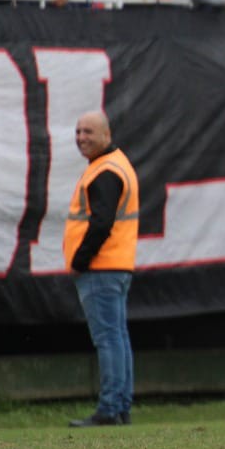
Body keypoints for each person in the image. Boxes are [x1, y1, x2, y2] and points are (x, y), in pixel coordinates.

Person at [63, 111, 139, 427]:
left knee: (108, 338)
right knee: (117, 337)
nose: (81, 137)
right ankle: (120, 406)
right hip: (117, 264)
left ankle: (109, 408)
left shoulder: (105, 171)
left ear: (106, 135)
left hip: (101, 267)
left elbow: (101, 222)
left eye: (89, 132)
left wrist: (80, 260)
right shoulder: (114, 164)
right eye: (78, 131)